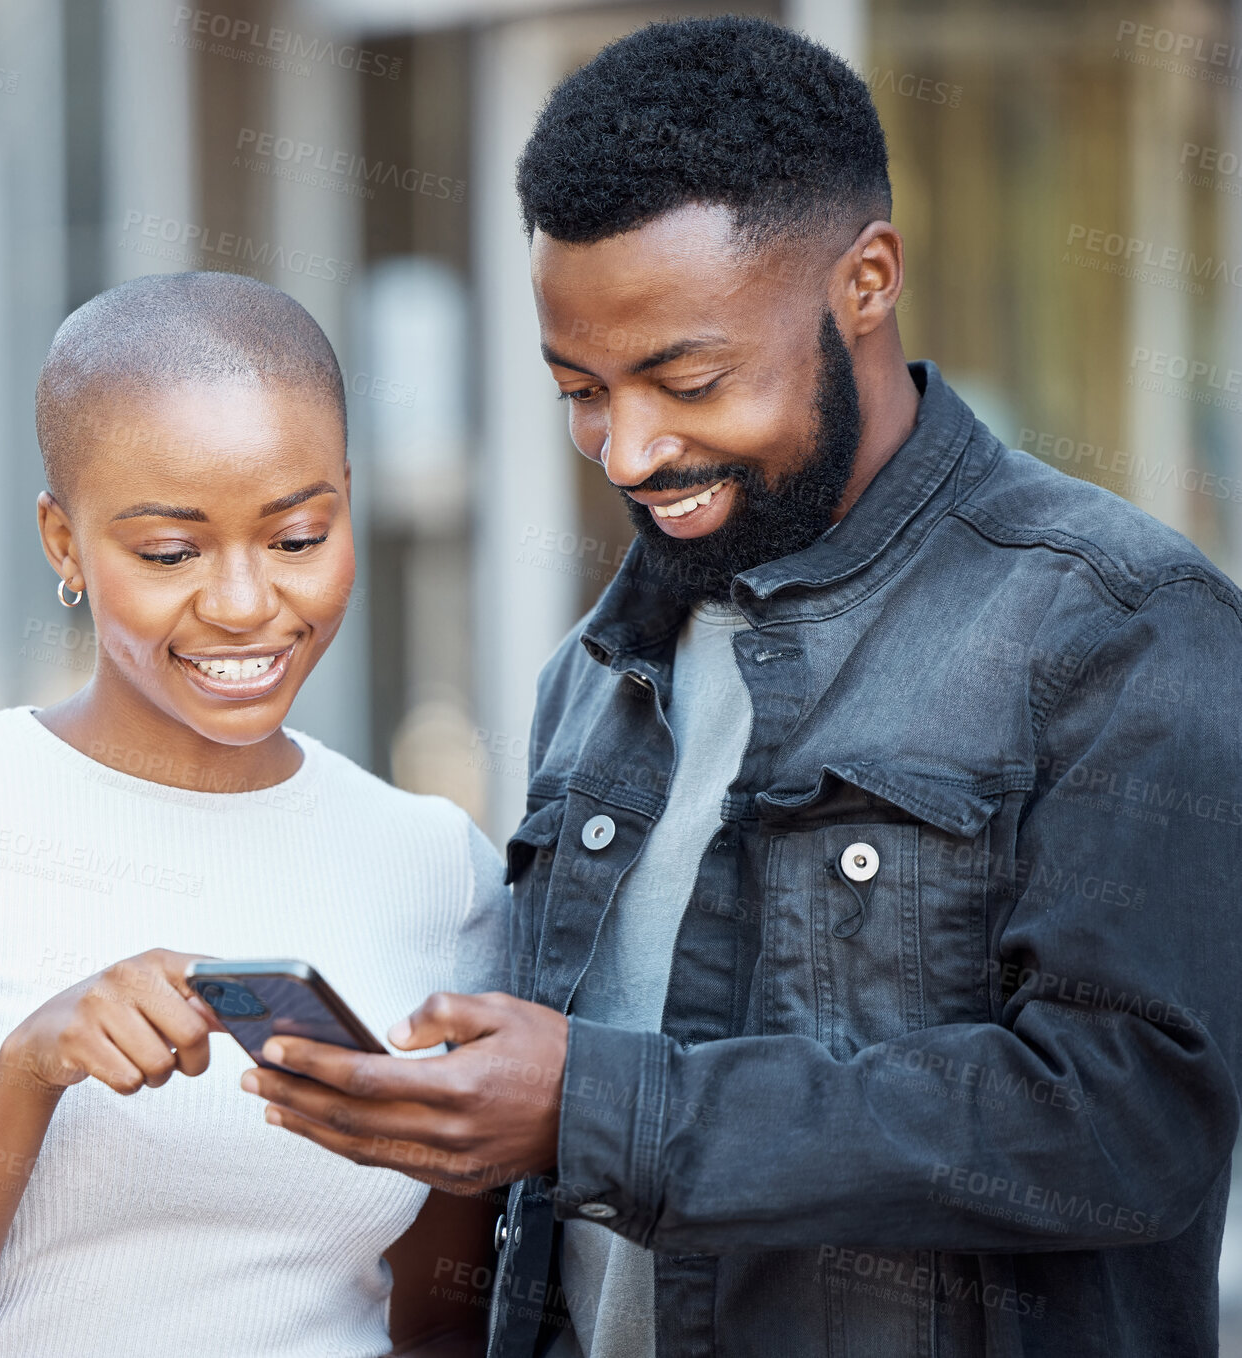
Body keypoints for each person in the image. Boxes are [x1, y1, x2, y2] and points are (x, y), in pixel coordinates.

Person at [242, 17, 1242, 1358]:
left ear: (866, 281)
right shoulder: (596, 673)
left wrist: (596, 1105)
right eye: (578, 390)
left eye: (687, 379)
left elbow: (1122, 1123)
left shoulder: (1115, 627)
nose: (628, 449)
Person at [0, 271, 505, 1358]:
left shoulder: (439, 868)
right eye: (170, 552)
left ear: (347, 498)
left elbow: (443, 1318)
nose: (246, 601)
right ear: (64, 543)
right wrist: (30, 1070)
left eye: (298, 535)